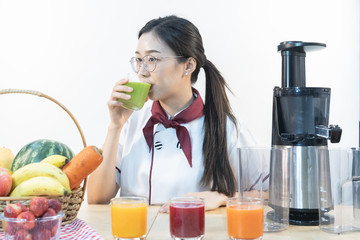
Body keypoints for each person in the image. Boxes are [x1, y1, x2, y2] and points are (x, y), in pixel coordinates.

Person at [87, 15, 256, 211]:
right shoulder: (131, 123)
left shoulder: (228, 129)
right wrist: (115, 126)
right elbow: (96, 199)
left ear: (188, 65)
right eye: (139, 60)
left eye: (152, 59)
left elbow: (270, 193)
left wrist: (221, 197)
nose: (142, 71)